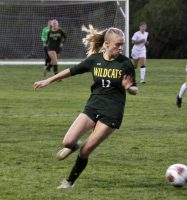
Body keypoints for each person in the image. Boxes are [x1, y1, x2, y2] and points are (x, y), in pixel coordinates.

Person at [33, 25, 138, 189]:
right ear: (107, 44)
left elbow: (135, 89)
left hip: (112, 112)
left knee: (85, 151)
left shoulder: (125, 63)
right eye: (118, 44)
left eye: (122, 44)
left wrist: (129, 88)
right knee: (67, 141)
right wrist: (48, 80)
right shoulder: (95, 60)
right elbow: (71, 70)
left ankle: (69, 182)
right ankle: (73, 145)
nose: (121, 47)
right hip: (93, 105)